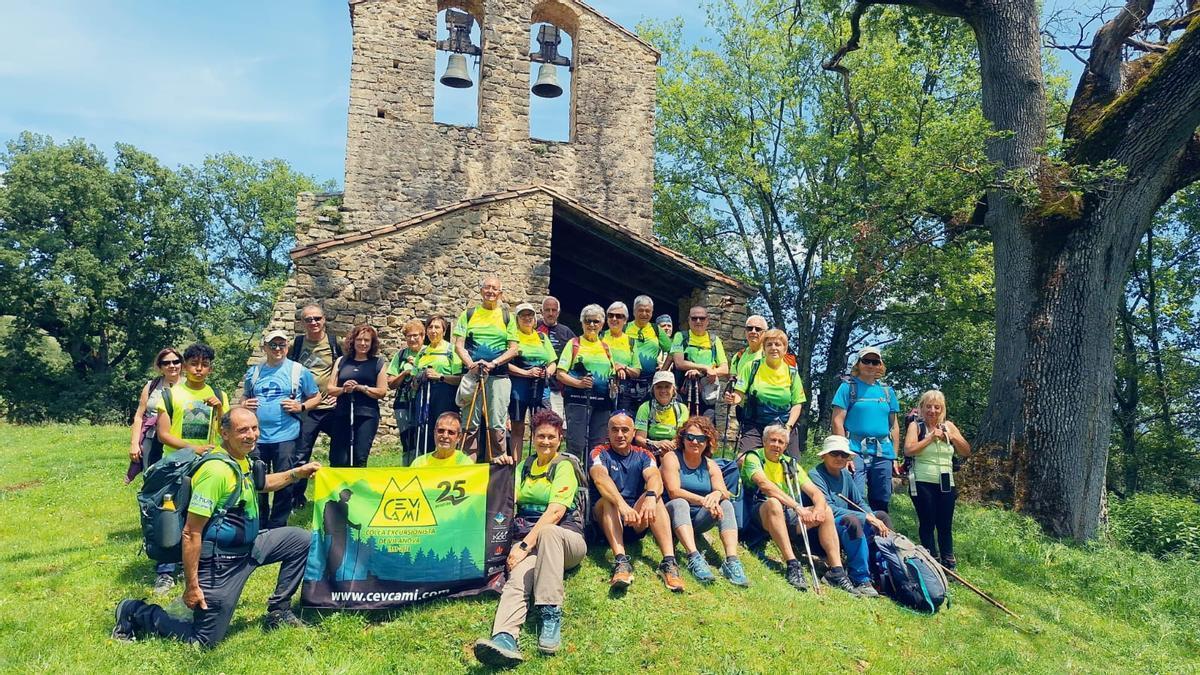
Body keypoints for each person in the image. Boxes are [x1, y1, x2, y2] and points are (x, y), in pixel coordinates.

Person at [113, 407, 322, 647]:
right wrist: (192, 586)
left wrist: (297, 473)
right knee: (203, 641)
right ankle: (135, 612)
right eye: (243, 430)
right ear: (224, 433)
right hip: (221, 562)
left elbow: (261, 483)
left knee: (301, 540)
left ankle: (279, 610)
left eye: (254, 428)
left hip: (251, 547)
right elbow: (191, 532)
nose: (252, 435)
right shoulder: (216, 471)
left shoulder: (240, 459)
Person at [474, 410, 586, 667]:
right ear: (532, 438)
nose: (545, 441)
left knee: (548, 531)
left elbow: (556, 512)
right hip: (530, 540)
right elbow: (507, 499)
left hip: (567, 540)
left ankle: (550, 612)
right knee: (518, 580)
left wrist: (523, 547)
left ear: (560, 439)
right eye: (540, 436)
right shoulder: (524, 466)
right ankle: (504, 638)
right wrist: (501, 469)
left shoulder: (564, 466)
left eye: (551, 437)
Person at [740, 426, 860, 595]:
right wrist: (797, 507)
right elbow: (765, 485)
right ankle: (792, 564)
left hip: (787, 513)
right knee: (774, 503)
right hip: (759, 509)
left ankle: (836, 571)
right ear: (764, 441)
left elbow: (815, 492)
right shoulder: (754, 457)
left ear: (785, 446)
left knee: (826, 511)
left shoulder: (789, 463)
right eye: (773, 440)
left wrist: (819, 508)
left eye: (781, 442)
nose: (776, 445)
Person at [588, 411, 685, 592]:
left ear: (633, 433)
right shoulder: (599, 452)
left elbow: (655, 477)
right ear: (608, 432)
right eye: (615, 430)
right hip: (606, 519)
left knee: (655, 498)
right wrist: (622, 505)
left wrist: (650, 497)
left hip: (634, 520)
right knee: (608, 500)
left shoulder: (644, 455)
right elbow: (600, 478)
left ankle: (669, 562)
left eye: (625, 430)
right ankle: (621, 562)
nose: (620, 434)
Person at [243, 330, 322, 529]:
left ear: (287, 347)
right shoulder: (254, 372)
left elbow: (316, 397)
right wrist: (244, 404)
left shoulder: (298, 371)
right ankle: (259, 523)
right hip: (257, 436)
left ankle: (278, 524)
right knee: (257, 479)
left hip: (287, 435)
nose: (277, 349)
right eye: (273, 345)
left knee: (286, 479)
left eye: (282, 345)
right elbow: (245, 396)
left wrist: (301, 407)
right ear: (265, 347)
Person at [659, 417, 747, 586]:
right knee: (680, 502)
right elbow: (674, 491)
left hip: (698, 519)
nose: (694, 442)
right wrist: (704, 500)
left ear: (708, 442)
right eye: (690, 437)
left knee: (725, 504)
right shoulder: (672, 457)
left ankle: (732, 560)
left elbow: (724, 492)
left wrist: (717, 495)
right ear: (682, 438)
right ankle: (694, 557)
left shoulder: (710, 464)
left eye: (700, 438)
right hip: (672, 514)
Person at [808, 435, 894, 595]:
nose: (839, 458)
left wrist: (871, 516)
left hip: (844, 524)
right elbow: (827, 508)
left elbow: (859, 501)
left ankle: (884, 571)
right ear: (824, 455)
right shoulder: (815, 475)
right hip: (823, 529)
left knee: (881, 516)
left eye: (844, 454)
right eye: (834, 453)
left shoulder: (845, 474)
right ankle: (860, 578)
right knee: (852, 521)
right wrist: (866, 517)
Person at [129, 347, 183, 593]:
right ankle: (165, 564)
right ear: (159, 366)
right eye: (167, 362)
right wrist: (135, 443)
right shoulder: (152, 386)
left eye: (176, 361)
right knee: (159, 499)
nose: (172, 365)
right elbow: (139, 416)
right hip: (154, 442)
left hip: (179, 446)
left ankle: (184, 556)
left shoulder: (191, 386)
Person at [904, 389, 971, 570]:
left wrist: (953, 436)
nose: (932, 411)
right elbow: (908, 450)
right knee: (928, 522)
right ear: (922, 408)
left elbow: (966, 451)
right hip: (922, 481)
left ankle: (948, 562)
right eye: (928, 407)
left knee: (945, 524)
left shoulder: (949, 426)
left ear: (942, 409)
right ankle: (930, 561)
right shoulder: (916, 426)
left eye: (937, 407)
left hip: (946, 482)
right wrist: (931, 438)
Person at [454, 276, 519, 459]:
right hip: (473, 375)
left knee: (497, 422)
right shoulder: (468, 314)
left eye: (494, 288)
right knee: (469, 422)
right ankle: (467, 464)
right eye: (487, 287)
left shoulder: (507, 317)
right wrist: (470, 364)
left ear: (500, 293)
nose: (490, 291)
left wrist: (494, 363)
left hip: (498, 376)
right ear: (481, 290)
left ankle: (497, 465)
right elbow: (459, 345)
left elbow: (514, 349)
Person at [831, 346, 900, 512]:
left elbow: (894, 426)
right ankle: (856, 527)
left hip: (883, 451)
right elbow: (837, 421)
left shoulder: (887, 392)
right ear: (858, 363)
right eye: (866, 361)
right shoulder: (848, 388)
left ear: (880, 365)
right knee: (856, 496)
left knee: (882, 498)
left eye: (875, 362)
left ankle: (880, 527)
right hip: (854, 449)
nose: (870, 365)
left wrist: (894, 456)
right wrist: (844, 454)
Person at [289, 304, 343, 506]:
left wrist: (339, 394)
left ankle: (338, 495)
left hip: (331, 409)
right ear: (302, 322)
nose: (313, 322)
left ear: (324, 319)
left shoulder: (335, 343)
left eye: (317, 318)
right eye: (308, 319)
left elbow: (347, 368)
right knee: (301, 454)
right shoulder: (296, 344)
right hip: (306, 409)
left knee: (339, 453)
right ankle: (297, 499)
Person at [727, 328, 805, 461]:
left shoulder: (792, 373)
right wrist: (733, 399)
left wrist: (788, 427)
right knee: (743, 460)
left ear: (785, 349)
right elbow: (739, 394)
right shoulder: (751, 367)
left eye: (778, 344)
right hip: (755, 425)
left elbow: (797, 404)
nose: (773, 348)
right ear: (763, 348)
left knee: (792, 466)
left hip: (784, 425)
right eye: (769, 344)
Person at [556, 304, 616, 458]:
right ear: (582, 323)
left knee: (597, 445)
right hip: (578, 401)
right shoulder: (574, 343)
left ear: (602, 324)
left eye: (596, 321)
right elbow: (560, 374)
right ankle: (573, 472)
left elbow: (611, 373)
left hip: (602, 403)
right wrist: (579, 383)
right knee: (576, 443)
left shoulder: (605, 347)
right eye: (588, 321)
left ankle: (593, 473)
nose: (592, 325)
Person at [328, 325, 388, 467]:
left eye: (367, 340)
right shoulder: (341, 361)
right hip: (342, 413)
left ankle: (358, 481)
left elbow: (382, 391)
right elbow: (330, 388)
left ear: (372, 343)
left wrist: (361, 388)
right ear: (352, 341)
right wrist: (344, 389)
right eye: (359, 339)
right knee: (338, 458)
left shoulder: (378, 363)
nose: (363, 343)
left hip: (367, 415)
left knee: (359, 456)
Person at [156, 343, 229, 453]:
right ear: (185, 367)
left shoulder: (220, 396)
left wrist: (219, 409)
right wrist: (194, 449)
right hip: (175, 459)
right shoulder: (170, 395)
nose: (199, 368)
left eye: (204, 365)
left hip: (206, 458)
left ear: (210, 369)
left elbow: (225, 432)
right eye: (194, 364)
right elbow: (163, 435)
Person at [509, 302, 558, 460]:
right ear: (517, 319)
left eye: (530, 315)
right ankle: (516, 466)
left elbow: (552, 362)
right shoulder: (512, 338)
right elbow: (506, 364)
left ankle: (542, 462)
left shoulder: (542, 337)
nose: (527, 318)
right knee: (517, 427)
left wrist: (548, 372)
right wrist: (526, 373)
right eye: (523, 315)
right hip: (519, 389)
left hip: (541, 389)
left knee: (543, 427)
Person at [412, 315, 463, 456]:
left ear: (444, 331)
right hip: (424, 396)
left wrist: (440, 376)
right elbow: (413, 380)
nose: (433, 331)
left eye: (437, 327)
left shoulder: (451, 350)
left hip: (444, 396)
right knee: (424, 431)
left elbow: (460, 379)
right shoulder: (422, 352)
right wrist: (420, 376)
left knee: (443, 428)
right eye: (430, 327)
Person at [670, 306, 728, 419]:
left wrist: (707, 372)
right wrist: (706, 368)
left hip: (707, 393)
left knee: (707, 424)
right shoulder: (680, 337)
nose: (698, 321)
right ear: (689, 320)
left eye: (702, 318)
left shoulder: (714, 340)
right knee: (683, 423)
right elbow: (679, 363)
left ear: (707, 321)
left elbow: (725, 369)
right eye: (694, 318)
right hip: (684, 391)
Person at [387, 319, 427, 465]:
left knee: (423, 437)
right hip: (403, 402)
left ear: (423, 336)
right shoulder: (401, 355)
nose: (412, 339)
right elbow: (391, 383)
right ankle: (407, 467)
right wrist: (404, 373)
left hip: (424, 401)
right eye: (409, 336)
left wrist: (416, 366)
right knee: (407, 438)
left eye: (416, 335)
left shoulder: (429, 352)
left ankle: (423, 468)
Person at [626, 296, 672, 409]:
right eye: (641, 310)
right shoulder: (624, 328)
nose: (644, 314)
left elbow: (672, 351)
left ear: (652, 312)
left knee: (648, 413)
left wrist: (663, 370)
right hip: (626, 381)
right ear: (634, 311)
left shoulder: (656, 329)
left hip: (650, 382)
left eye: (648, 311)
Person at [536, 295, 576, 419]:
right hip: (536, 383)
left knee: (556, 419)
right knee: (538, 420)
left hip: (558, 385)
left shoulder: (566, 332)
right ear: (541, 311)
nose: (550, 313)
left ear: (558, 313)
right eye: (547, 310)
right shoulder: (534, 328)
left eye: (553, 310)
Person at [634, 371, 689, 457]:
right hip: (650, 452)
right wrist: (657, 444)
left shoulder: (682, 409)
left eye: (667, 387)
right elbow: (639, 439)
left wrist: (667, 446)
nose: (663, 391)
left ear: (674, 390)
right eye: (659, 387)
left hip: (674, 451)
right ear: (653, 390)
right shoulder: (645, 408)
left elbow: (681, 437)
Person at [601, 301, 641, 412]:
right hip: (602, 388)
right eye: (610, 315)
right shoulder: (600, 337)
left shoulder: (631, 341)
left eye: (618, 316)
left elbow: (637, 371)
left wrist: (623, 367)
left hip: (624, 391)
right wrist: (615, 367)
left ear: (625, 320)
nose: (614, 319)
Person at [410, 412, 475, 467]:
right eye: (441, 430)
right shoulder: (419, 463)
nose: (445, 436)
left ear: (459, 437)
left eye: (451, 432)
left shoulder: (465, 464)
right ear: (434, 433)